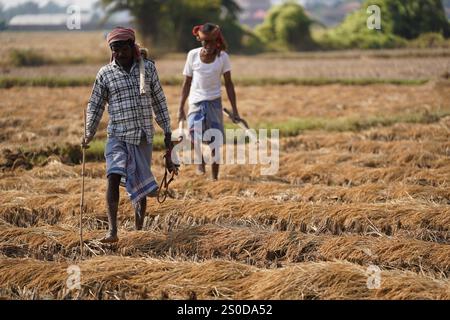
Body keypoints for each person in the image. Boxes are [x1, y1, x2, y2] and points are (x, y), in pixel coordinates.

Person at [81, 27, 176, 243]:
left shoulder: (148, 69)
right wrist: (88, 133)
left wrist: (167, 132)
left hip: (142, 136)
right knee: (112, 176)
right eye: (114, 50)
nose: (119, 54)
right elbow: (95, 105)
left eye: (122, 49)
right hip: (117, 135)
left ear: (131, 46)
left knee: (140, 184)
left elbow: (159, 102)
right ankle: (112, 231)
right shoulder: (105, 74)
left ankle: (138, 228)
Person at [178, 23, 241, 180]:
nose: (207, 45)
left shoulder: (222, 58)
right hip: (196, 102)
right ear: (200, 40)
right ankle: (200, 161)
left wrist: (235, 110)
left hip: (214, 102)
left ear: (217, 41)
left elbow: (229, 84)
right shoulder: (192, 55)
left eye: (211, 42)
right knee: (194, 135)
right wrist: (180, 108)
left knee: (215, 142)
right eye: (204, 42)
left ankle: (214, 177)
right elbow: (186, 83)